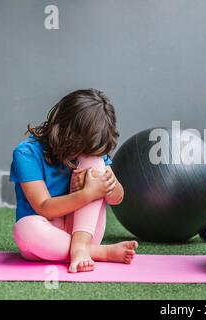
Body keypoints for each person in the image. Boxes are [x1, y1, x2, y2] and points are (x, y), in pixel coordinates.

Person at [10, 89, 138, 273]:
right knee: (24, 228)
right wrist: (85, 194)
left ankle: (82, 247)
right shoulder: (26, 153)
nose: (81, 154)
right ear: (62, 128)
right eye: (80, 147)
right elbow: (44, 207)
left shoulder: (90, 154)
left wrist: (105, 185)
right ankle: (99, 252)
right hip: (46, 236)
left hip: (83, 233)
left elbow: (116, 198)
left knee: (95, 161)